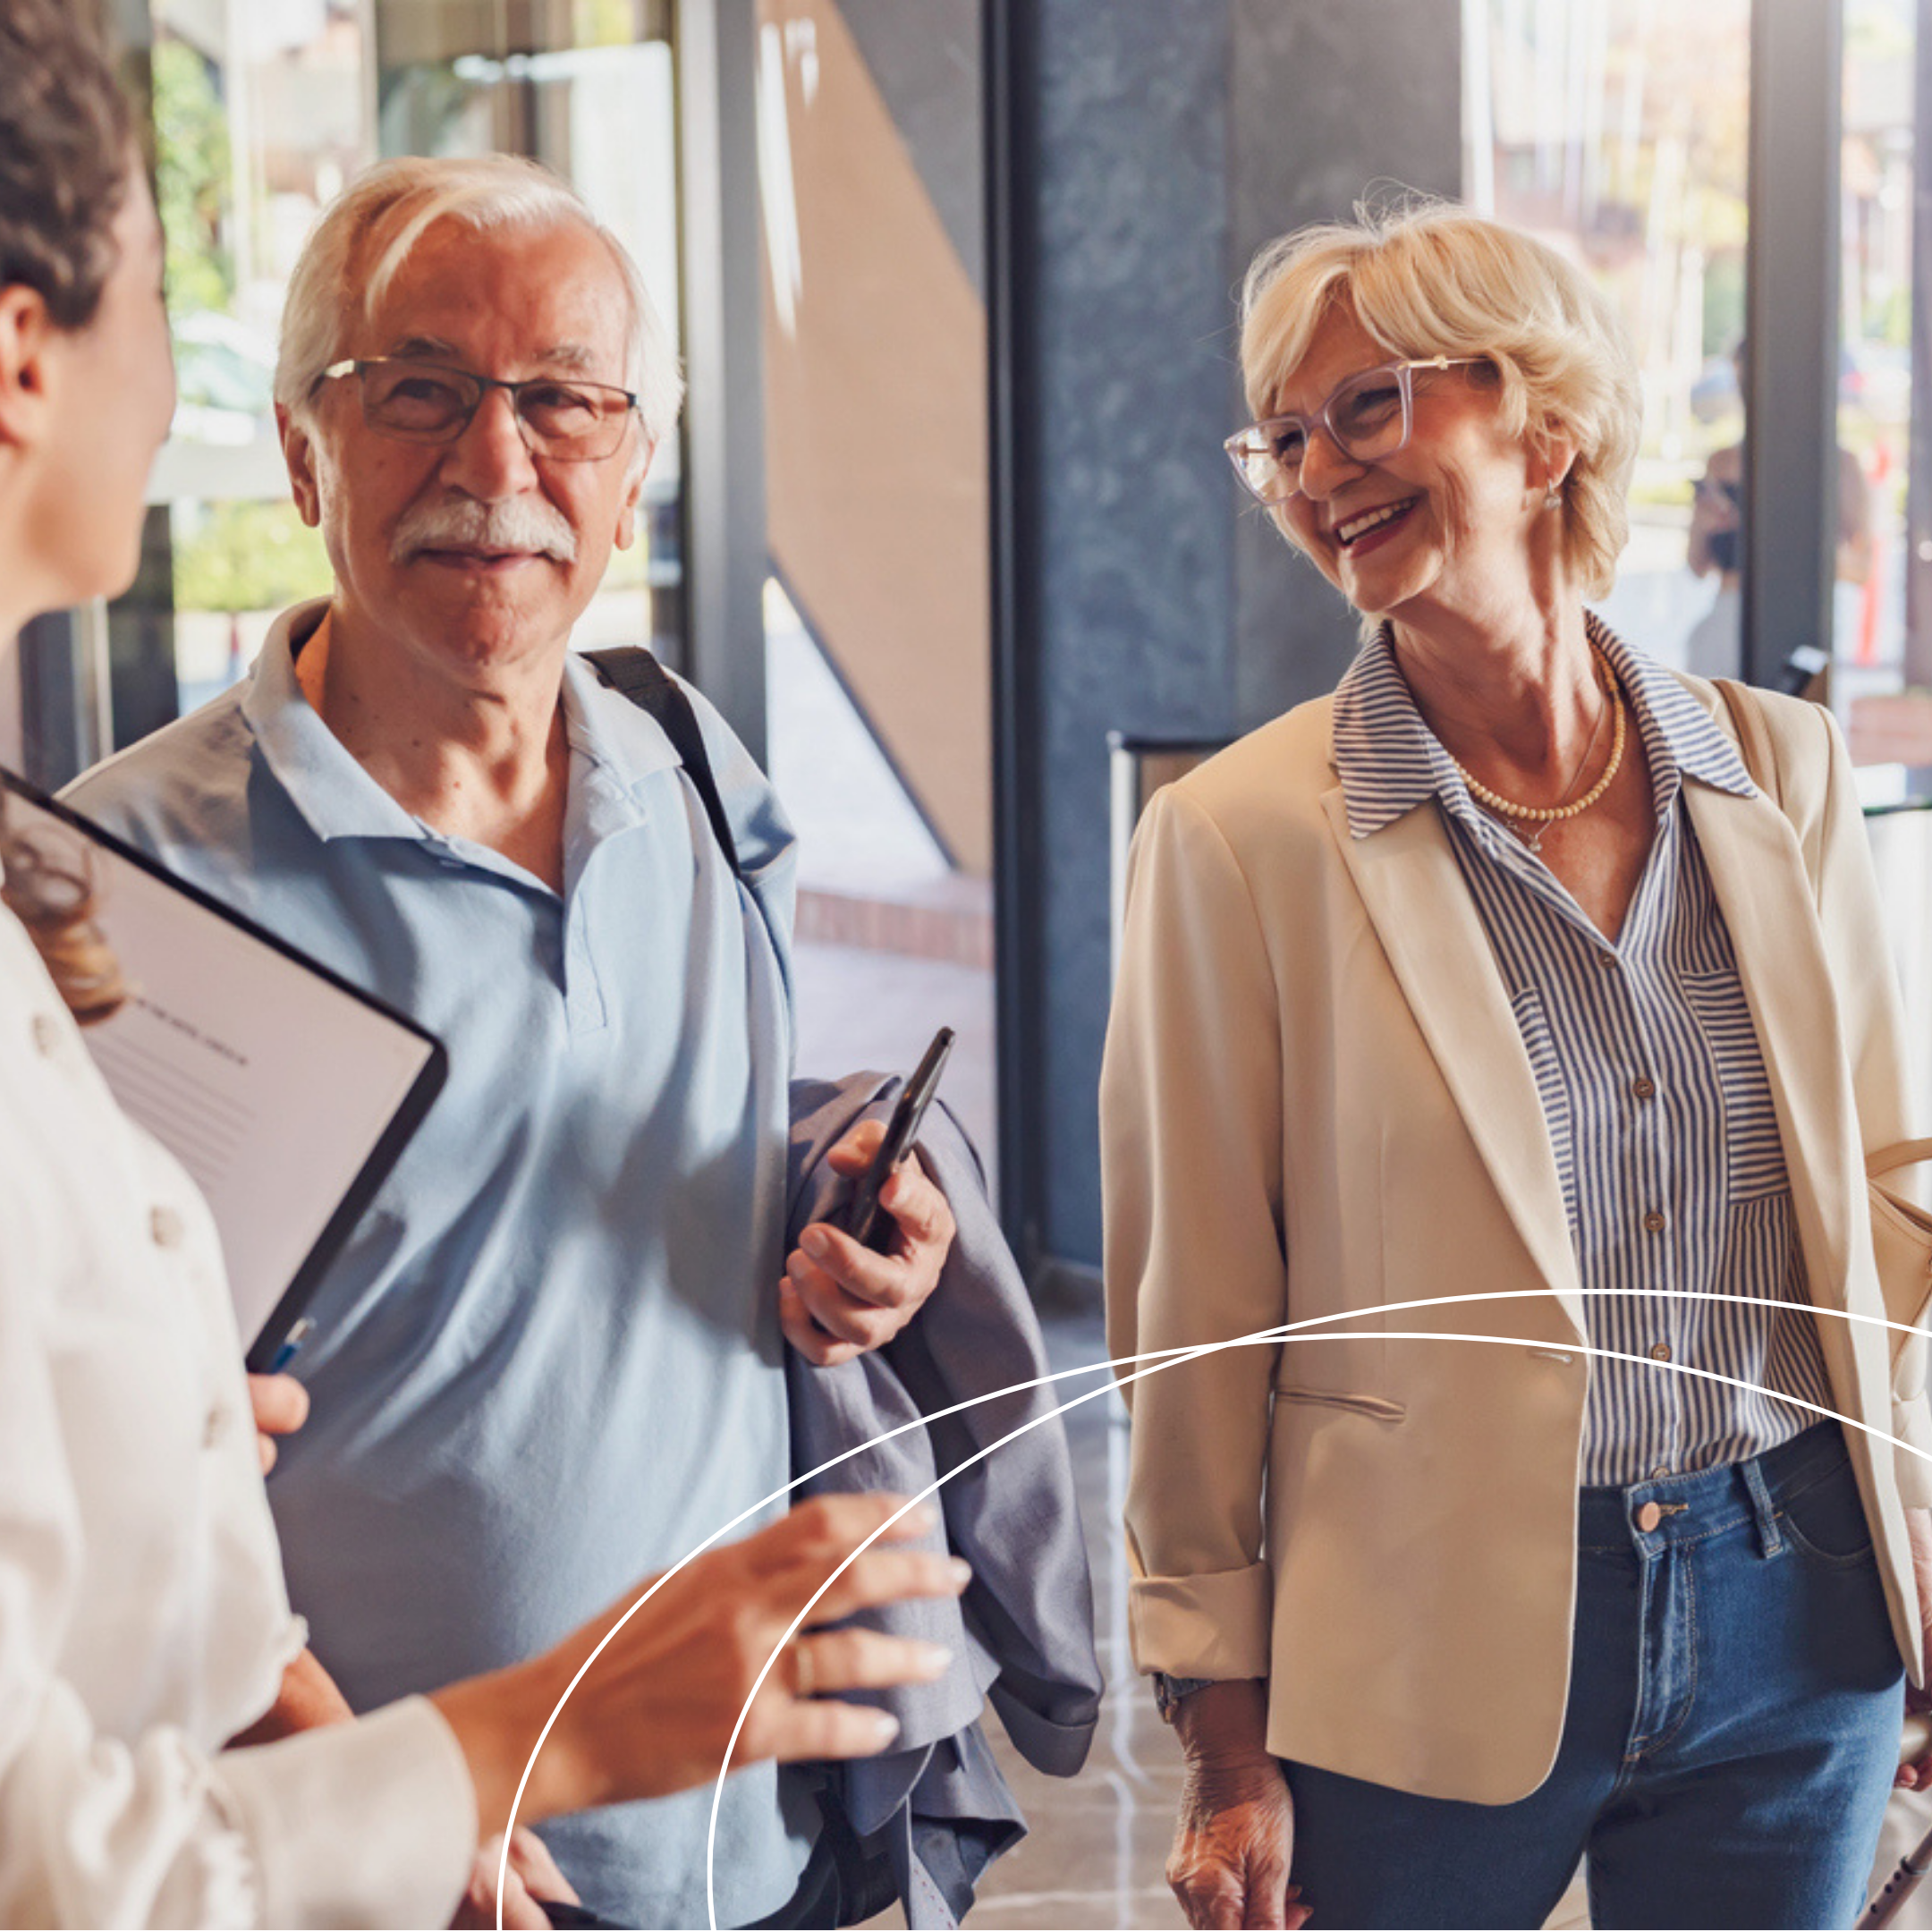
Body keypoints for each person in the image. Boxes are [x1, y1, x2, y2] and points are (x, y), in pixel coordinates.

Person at [0, 3, 970, 1927]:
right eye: (419, 389)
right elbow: (110, 1461)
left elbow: (697, 1177)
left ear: (636, 466)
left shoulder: (700, 769)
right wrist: (358, 1784)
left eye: (565, 400)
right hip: (383, 1866)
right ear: (302, 450)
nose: (498, 459)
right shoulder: (105, 883)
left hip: (744, 1828)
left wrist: (858, 1247)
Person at [1102, 198, 1932, 1932]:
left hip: (1802, 1600)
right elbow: (1193, 1324)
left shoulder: (1777, 771)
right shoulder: (1238, 840)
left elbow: (1881, 1201)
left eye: (1371, 407)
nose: (1320, 469)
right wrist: (1224, 1743)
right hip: (1417, 1642)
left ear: (1544, 420)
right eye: (1287, 438)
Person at [1682, 337, 1871, 679]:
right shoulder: (1723, 463)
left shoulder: (1840, 467)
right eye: (1743, 383)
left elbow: (1861, 567)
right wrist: (1708, 524)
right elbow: (1697, 566)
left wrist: (1791, 539)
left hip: (1803, 627)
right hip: (1729, 624)